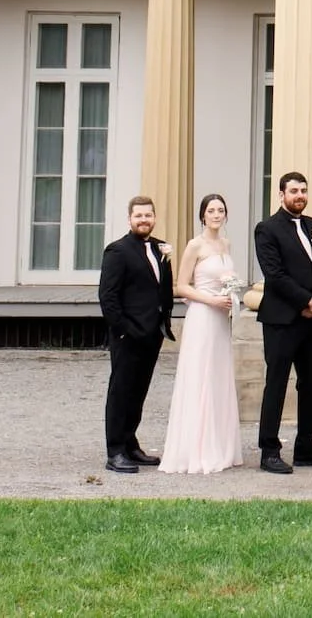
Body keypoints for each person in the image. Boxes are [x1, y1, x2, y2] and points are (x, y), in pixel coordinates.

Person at [252, 171, 312, 474]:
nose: (299, 195)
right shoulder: (267, 229)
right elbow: (275, 275)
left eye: (303, 191)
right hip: (282, 320)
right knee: (276, 383)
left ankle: (305, 446)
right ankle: (269, 451)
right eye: (294, 191)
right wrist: (305, 301)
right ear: (281, 195)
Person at [160, 193, 242, 473]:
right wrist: (211, 300)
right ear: (203, 215)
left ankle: (220, 444)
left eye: (221, 210)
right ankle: (197, 447)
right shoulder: (195, 245)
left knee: (218, 375)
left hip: (220, 319)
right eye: (211, 210)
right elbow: (182, 286)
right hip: (203, 316)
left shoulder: (226, 244)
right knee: (201, 375)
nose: (216, 215)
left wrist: (230, 296)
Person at [98, 195, 173, 474]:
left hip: (153, 333)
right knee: (121, 391)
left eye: (148, 215)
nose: (144, 220)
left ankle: (131, 444)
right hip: (128, 335)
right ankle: (115, 450)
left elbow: (163, 288)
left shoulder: (160, 247)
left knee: (138, 392)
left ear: (154, 217)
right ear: (130, 219)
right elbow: (108, 296)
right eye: (139, 216)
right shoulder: (117, 251)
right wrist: (124, 330)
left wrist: (163, 321)